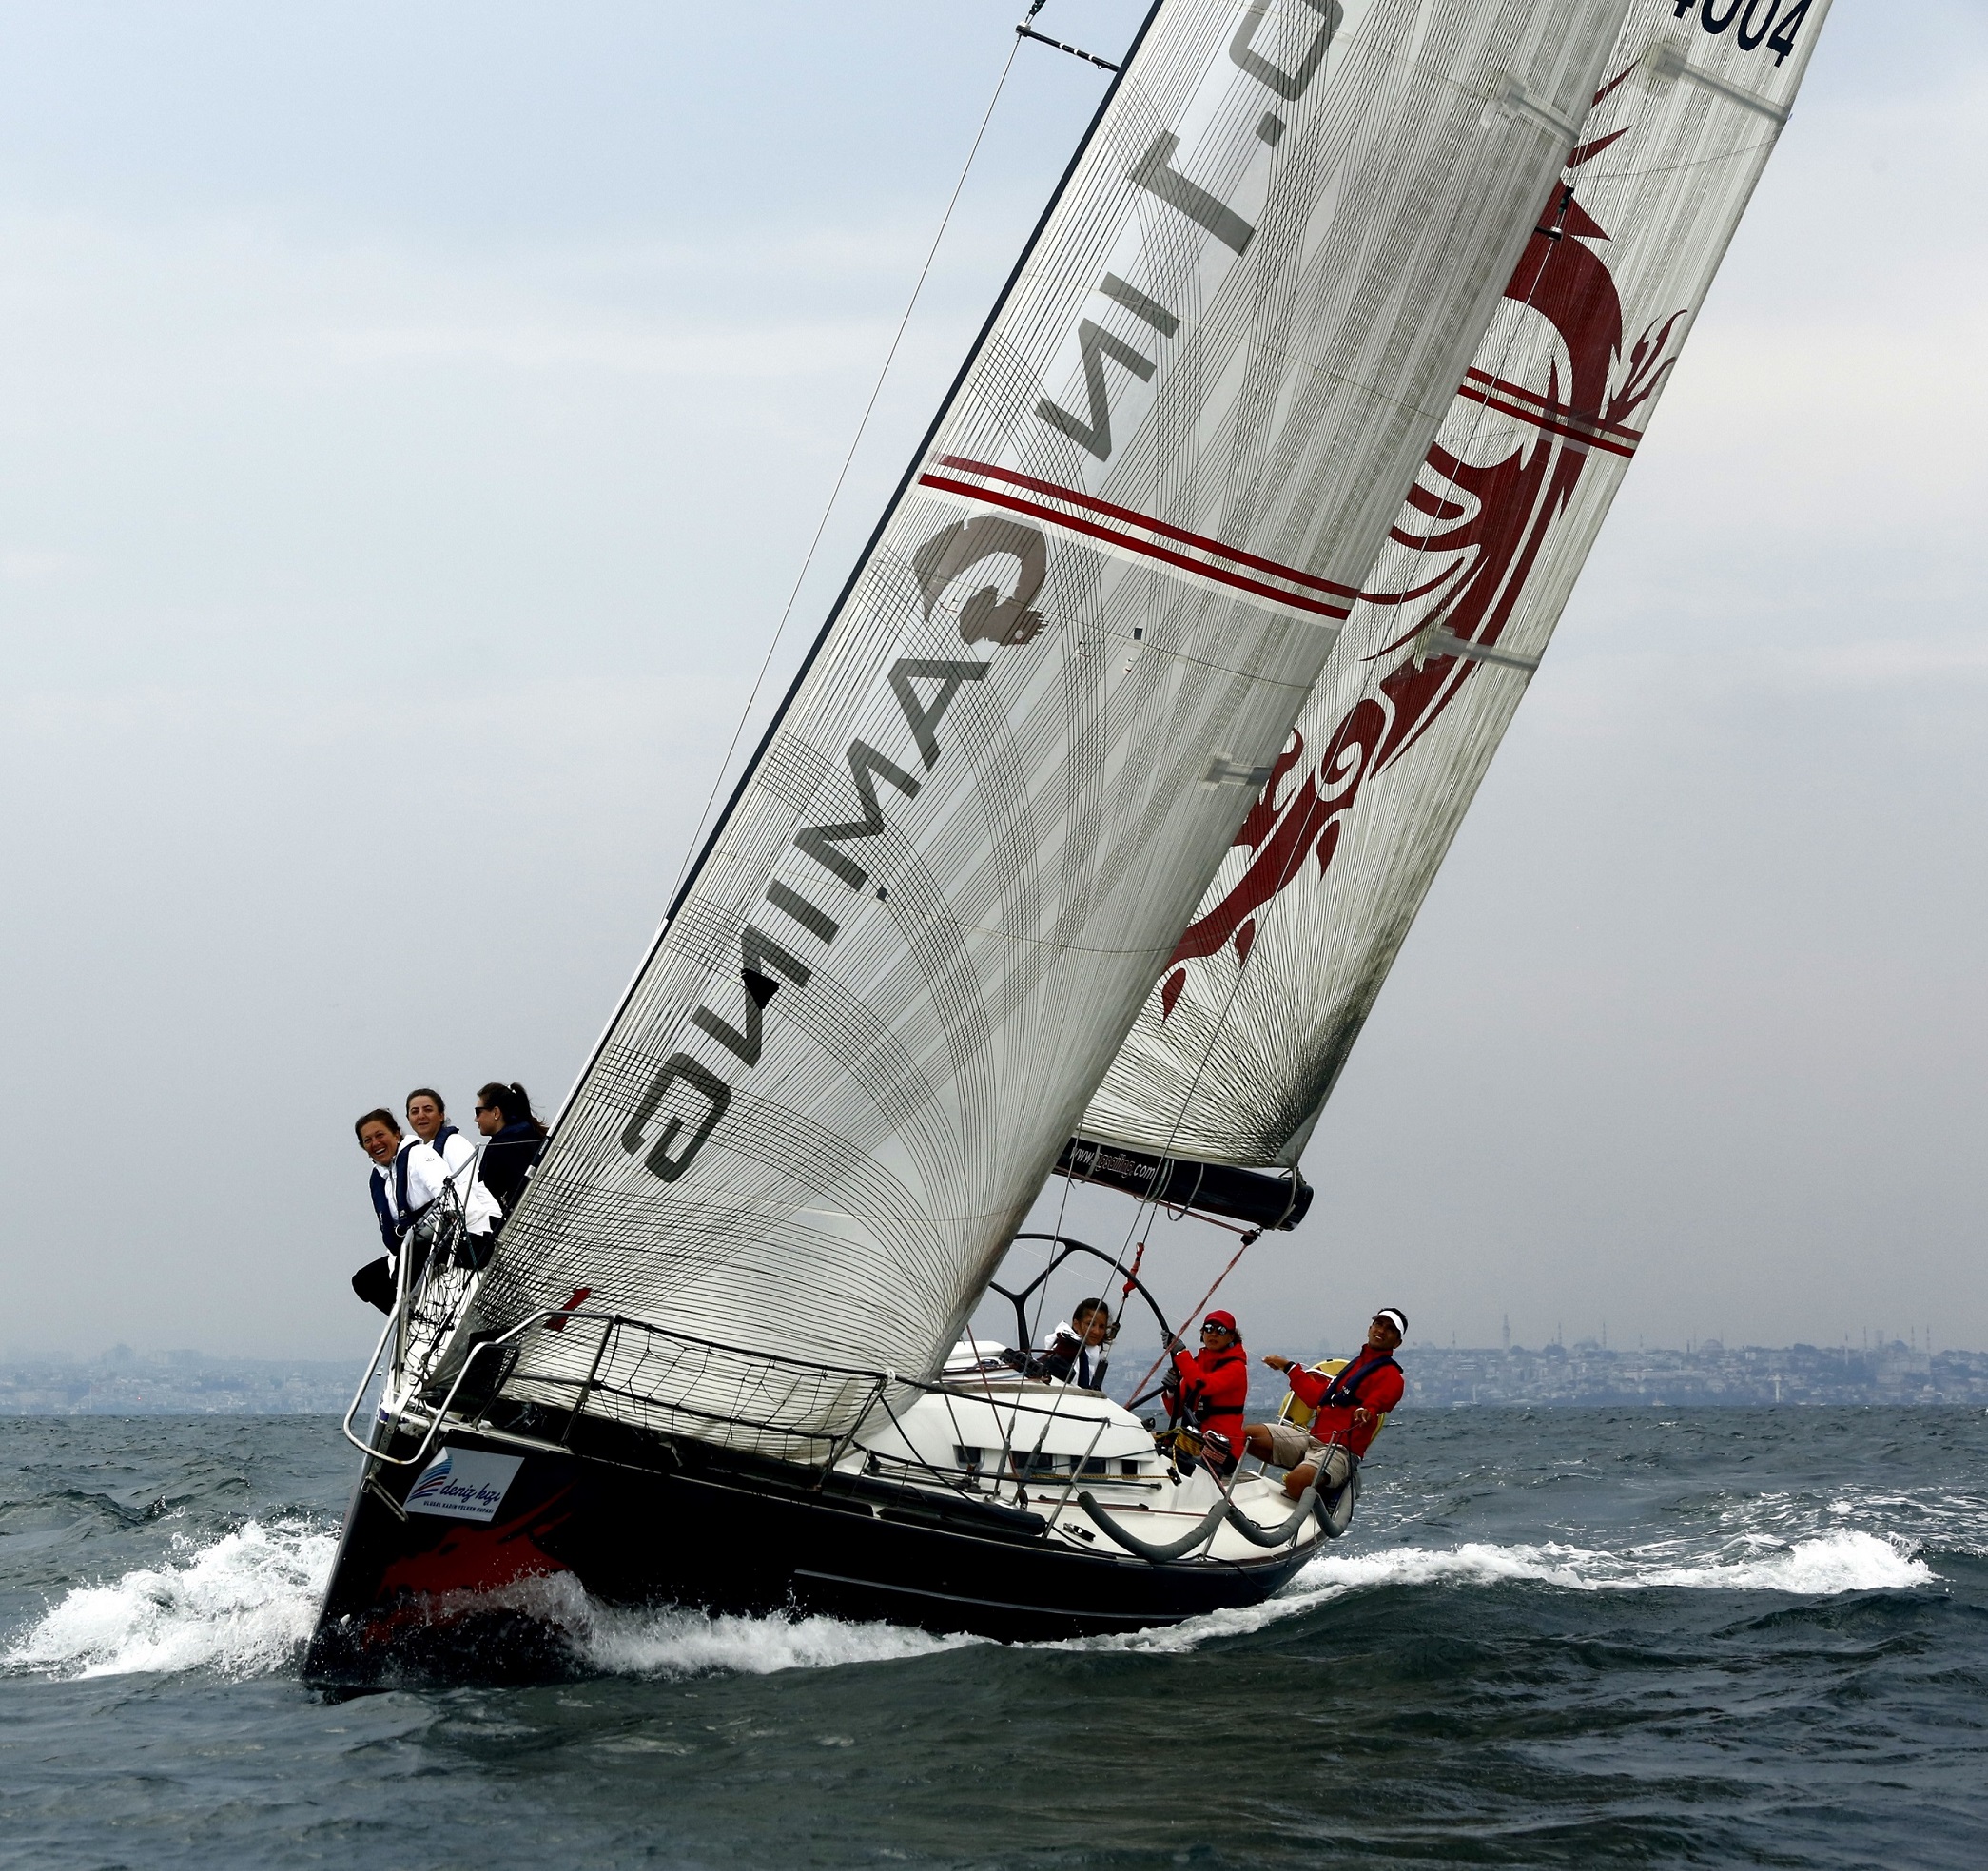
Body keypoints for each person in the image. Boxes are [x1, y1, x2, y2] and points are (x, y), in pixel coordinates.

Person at [1245, 1307, 1407, 1502]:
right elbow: (1317, 1397)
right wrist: (1287, 1367)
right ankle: (1311, 1472)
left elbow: (1384, 1397)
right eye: (1378, 1324)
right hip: (1312, 1441)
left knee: (1295, 1483)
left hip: (1340, 1452)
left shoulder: (1391, 1375)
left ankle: (1326, 1485)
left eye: (1390, 1329)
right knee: (1248, 1435)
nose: (1381, 1330)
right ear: (1369, 1329)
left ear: (1397, 1342)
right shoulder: (1355, 1365)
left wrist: (1368, 1409)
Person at [350, 1107, 499, 1313]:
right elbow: (396, 1235)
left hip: (466, 1239)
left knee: (410, 1265)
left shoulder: (419, 1155)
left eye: (380, 1135)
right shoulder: (381, 1179)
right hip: (419, 1247)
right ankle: (412, 1320)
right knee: (365, 1281)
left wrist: (451, 1222)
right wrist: (395, 1271)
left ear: (396, 1134)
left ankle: (418, 1316)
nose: (375, 1143)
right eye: (368, 1140)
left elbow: (448, 1193)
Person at [1160, 1310, 1249, 1474]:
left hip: (1222, 1449)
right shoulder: (1197, 1365)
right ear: (1202, 1333)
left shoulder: (1236, 1368)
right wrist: (1171, 1391)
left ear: (1231, 1337)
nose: (1213, 1334)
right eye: (1209, 1328)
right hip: (1193, 1441)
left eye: (1221, 1330)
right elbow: (1175, 1412)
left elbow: (1204, 1386)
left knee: (1178, 1461)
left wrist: (1180, 1353)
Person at [475, 1082, 548, 1222]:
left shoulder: (502, 1148)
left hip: (515, 1226)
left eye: (478, 1112)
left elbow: (490, 1193)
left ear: (496, 1112)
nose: (475, 1119)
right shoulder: (528, 1135)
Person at [1027, 1297, 1113, 1388]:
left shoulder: (1088, 1352)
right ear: (1076, 1324)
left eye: (1101, 1326)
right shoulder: (1068, 1351)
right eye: (1090, 1324)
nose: (1096, 1331)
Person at [405, 1087, 477, 1183]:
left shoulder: (455, 1143)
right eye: (415, 1112)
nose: (421, 1116)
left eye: (428, 1110)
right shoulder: (411, 1154)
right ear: (408, 1118)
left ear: (441, 1116)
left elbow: (470, 1186)